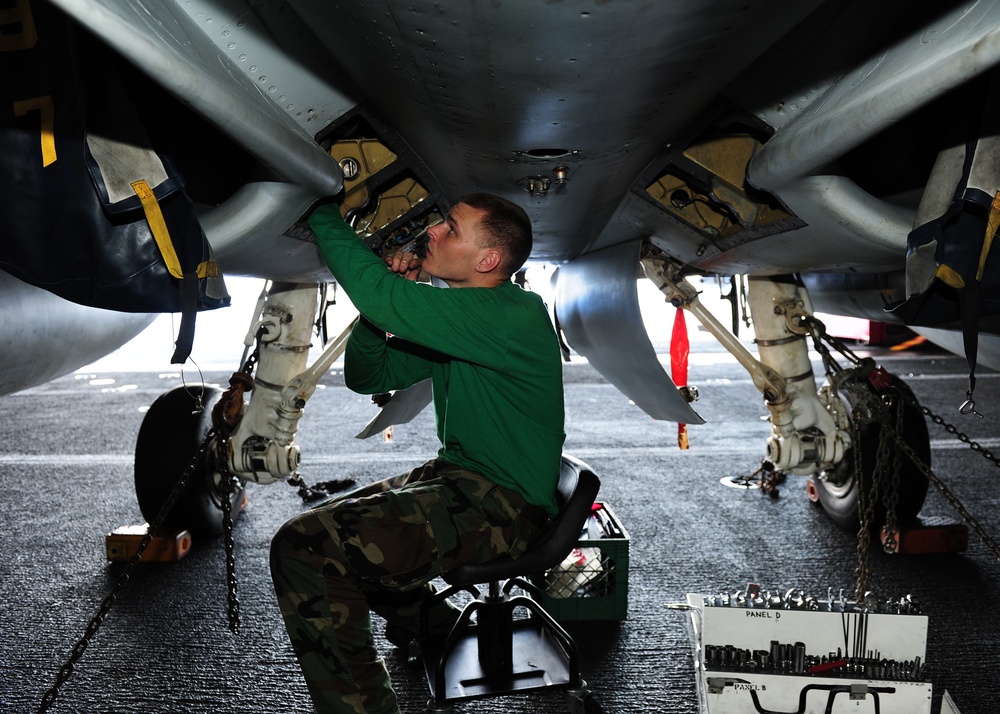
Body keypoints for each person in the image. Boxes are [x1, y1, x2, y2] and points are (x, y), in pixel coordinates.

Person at [269, 193, 566, 714]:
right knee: (331, 530)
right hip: (463, 480)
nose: (432, 231)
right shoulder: (469, 318)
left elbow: (381, 297)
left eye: (450, 228)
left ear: (487, 260)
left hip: (502, 506)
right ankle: (432, 625)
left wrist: (319, 210)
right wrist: (373, 317)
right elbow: (371, 377)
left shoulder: (510, 314)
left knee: (306, 545)